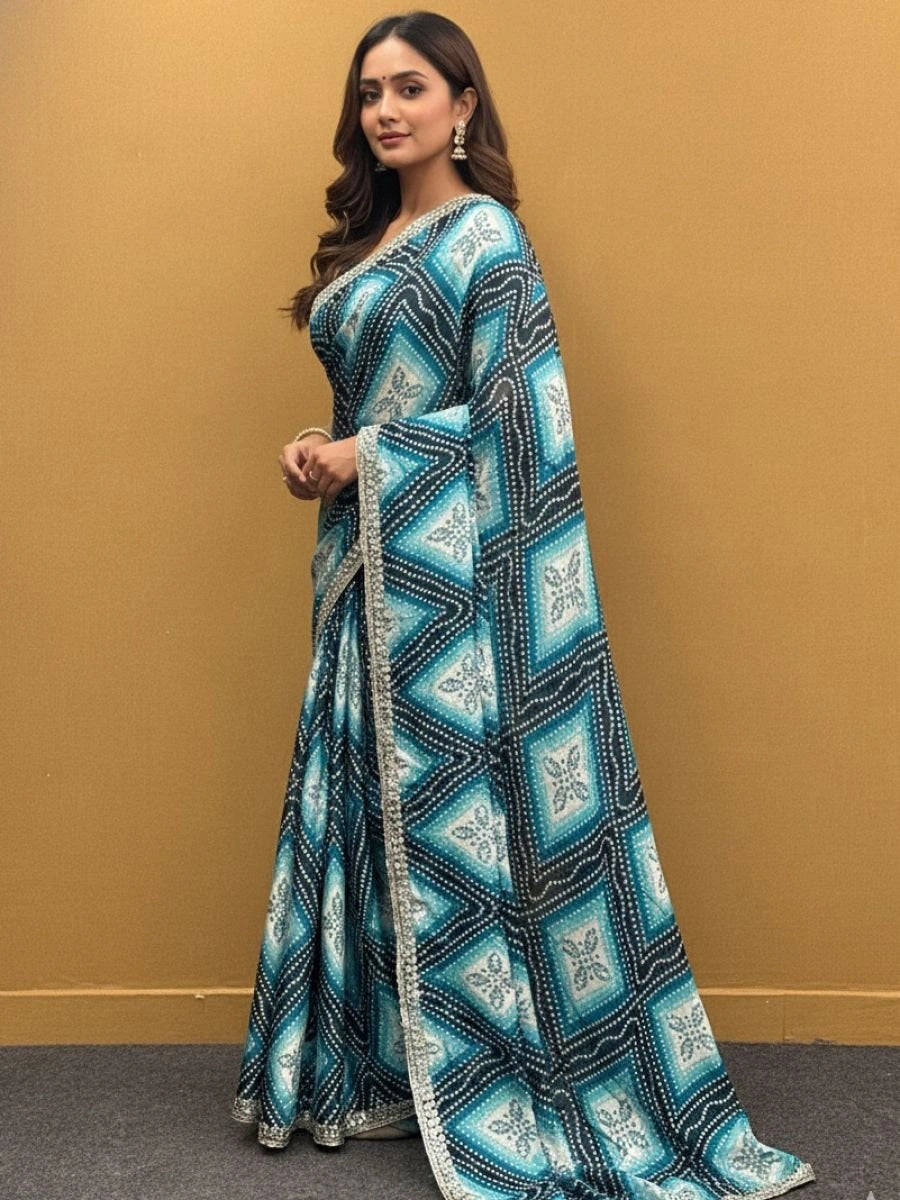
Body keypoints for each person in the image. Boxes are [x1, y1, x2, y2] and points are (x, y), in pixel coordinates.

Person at [231, 11, 816, 1200]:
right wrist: (321, 447)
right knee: (358, 801)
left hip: (447, 594)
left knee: (445, 812)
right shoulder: (373, 242)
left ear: (462, 103)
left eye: (408, 88)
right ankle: (376, 1068)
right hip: (366, 571)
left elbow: (517, 422)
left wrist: (368, 458)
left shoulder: (487, 239)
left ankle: (501, 1065)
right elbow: (378, 401)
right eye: (369, 95)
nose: (384, 111)